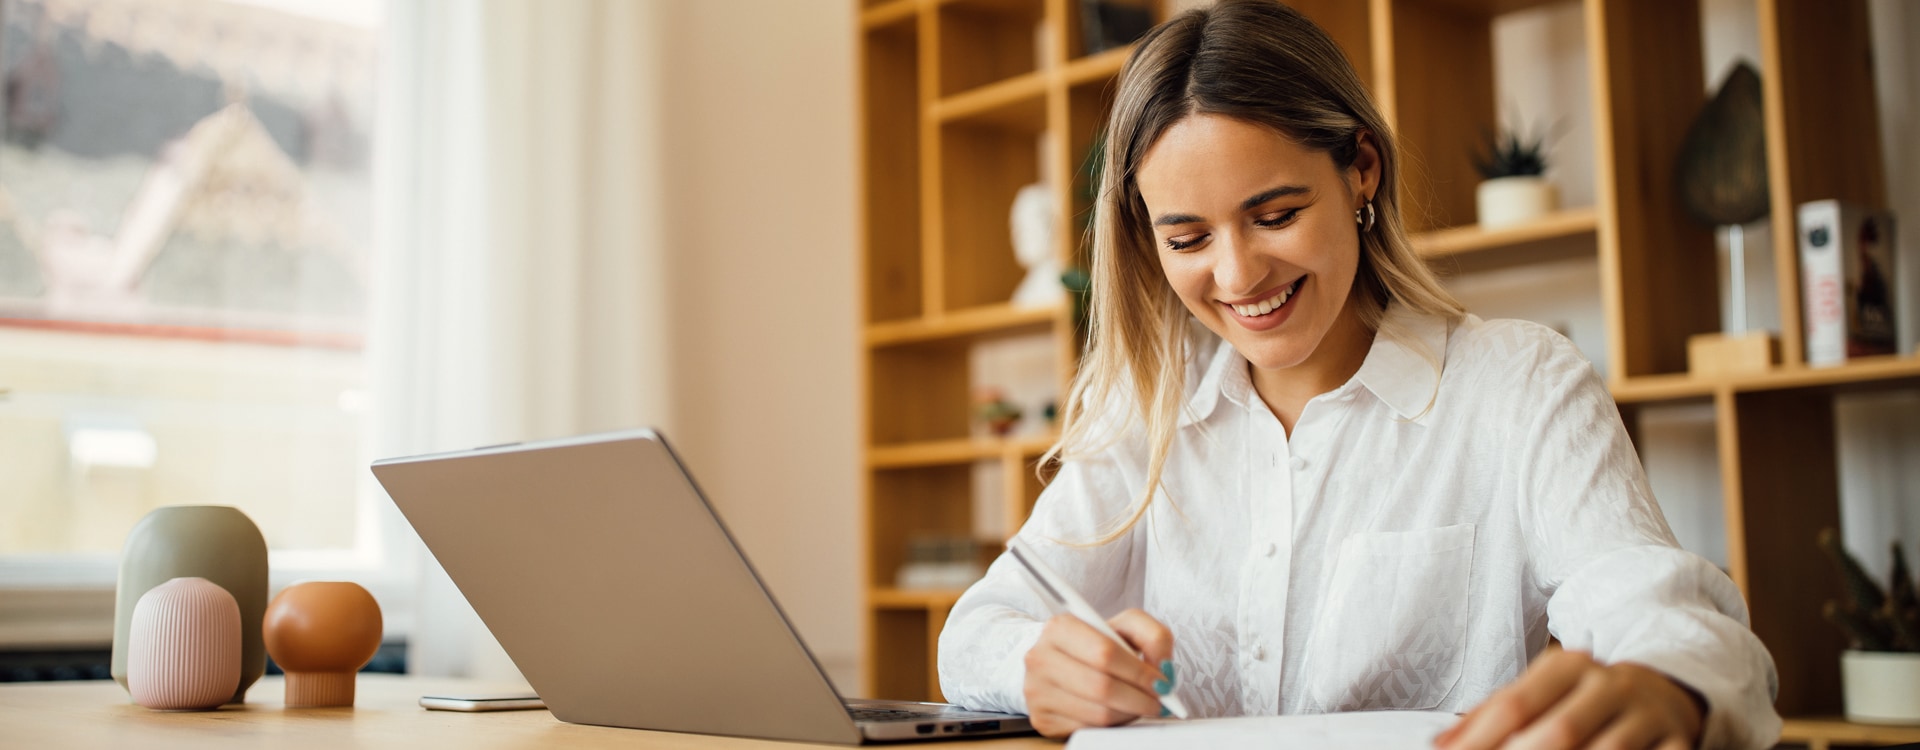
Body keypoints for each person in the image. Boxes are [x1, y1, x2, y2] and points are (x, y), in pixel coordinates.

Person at [934, 2, 1781, 748]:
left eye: (1275, 215)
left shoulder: (1518, 385)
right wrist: (1038, 665)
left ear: (1361, 168)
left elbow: (1658, 610)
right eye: (1187, 239)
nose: (1236, 277)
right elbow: (973, 633)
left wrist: (1667, 684)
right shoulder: (1145, 412)